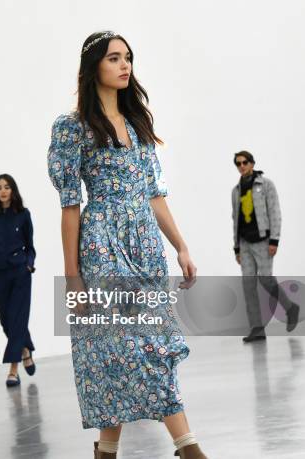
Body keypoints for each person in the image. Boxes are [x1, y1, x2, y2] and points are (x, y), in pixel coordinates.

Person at [47, 32, 206, 459]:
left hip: (145, 246)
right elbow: (69, 206)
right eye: (114, 58)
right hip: (101, 245)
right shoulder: (72, 127)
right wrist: (73, 278)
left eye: (128, 58)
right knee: (129, 347)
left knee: (119, 350)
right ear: (93, 66)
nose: (124, 65)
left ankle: (106, 452)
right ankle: (189, 447)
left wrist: (181, 247)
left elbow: (155, 194)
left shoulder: (137, 124)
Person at [232, 151, 300, 342]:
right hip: (244, 243)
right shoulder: (236, 191)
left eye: (245, 162)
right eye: (238, 163)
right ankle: (257, 328)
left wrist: (274, 240)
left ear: (252, 163)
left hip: (263, 240)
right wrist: (236, 247)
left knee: (266, 280)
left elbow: (275, 212)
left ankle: (290, 307)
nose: (242, 166)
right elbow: (235, 220)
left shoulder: (266, 185)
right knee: (248, 285)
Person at [0, 174, 36, 387]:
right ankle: (25, 349)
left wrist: (29, 264)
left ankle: (13, 370)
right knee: (6, 319)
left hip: (20, 273)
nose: (3, 191)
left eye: (6, 187)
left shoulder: (23, 215)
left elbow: (30, 246)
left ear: (13, 190)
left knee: (17, 319)